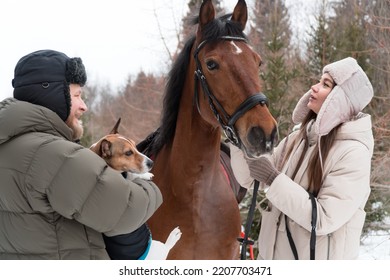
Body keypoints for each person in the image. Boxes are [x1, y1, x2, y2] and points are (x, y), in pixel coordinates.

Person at [0, 49, 162, 260]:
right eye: (76, 95)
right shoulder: (56, 155)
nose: (84, 106)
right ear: (52, 96)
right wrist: (145, 183)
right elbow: (127, 211)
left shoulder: (8, 145)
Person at [231, 57, 374, 260]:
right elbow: (250, 179)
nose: (314, 87)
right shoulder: (298, 139)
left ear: (341, 98)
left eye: (325, 84)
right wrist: (238, 139)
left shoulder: (353, 153)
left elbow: (324, 218)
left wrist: (273, 179)